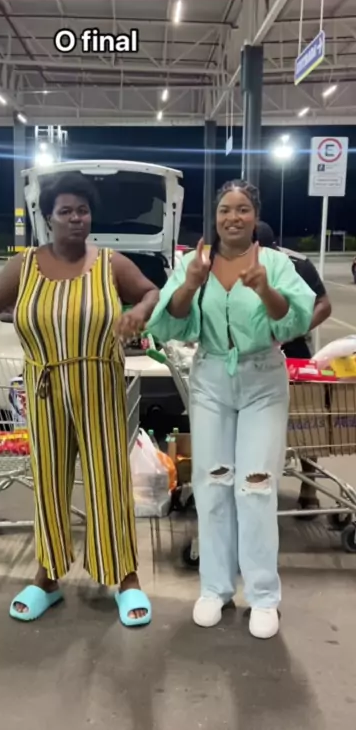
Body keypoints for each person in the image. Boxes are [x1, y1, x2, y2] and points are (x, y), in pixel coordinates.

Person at [0, 172, 159, 627]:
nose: (75, 218)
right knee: (48, 481)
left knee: (108, 481)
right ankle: (47, 576)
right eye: (65, 211)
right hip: (45, 388)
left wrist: (139, 312)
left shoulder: (110, 264)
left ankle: (126, 577)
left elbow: (150, 291)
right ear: (48, 218)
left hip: (99, 387)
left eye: (82, 210)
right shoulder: (25, 265)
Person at [148, 181, 315, 639]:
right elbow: (169, 321)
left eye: (243, 209)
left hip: (262, 378)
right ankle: (215, 588)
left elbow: (295, 320)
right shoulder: (195, 261)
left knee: (256, 486)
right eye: (225, 209)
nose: (233, 217)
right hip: (211, 378)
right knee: (212, 482)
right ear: (215, 215)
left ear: (255, 216)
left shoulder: (275, 263)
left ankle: (263, 596)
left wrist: (265, 289)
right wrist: (191, 283)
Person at [256, 222, 332, 513]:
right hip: (253, 351)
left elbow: (324, 304)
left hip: (294, 350)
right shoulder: (233, 263)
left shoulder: (298, 265)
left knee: (304, 415)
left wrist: (297, 328)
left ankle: (309, 484)